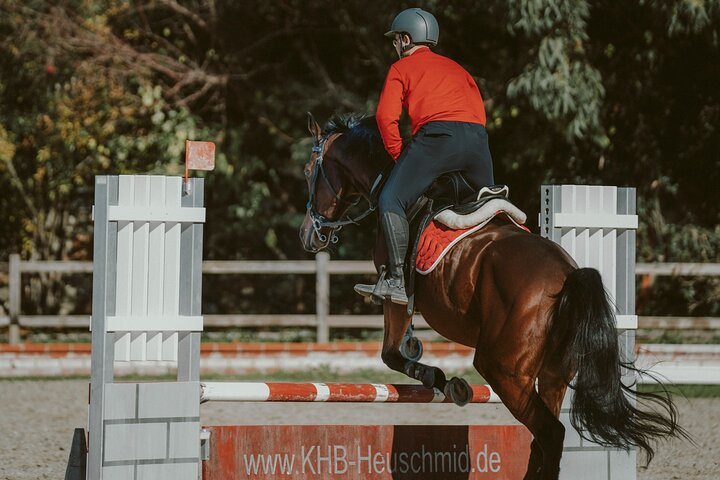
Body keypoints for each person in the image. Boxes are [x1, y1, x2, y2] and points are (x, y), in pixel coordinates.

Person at [355, 7, 495, 305]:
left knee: (390, 199)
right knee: (485, 207)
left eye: (395, 41)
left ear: (406, 39)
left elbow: (384, 118)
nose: (395, 47)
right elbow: (479, 114)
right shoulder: (458, 68)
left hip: (438, 137)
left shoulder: (401, 68)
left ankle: (394, 280)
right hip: (478, 141)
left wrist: (399, 157)